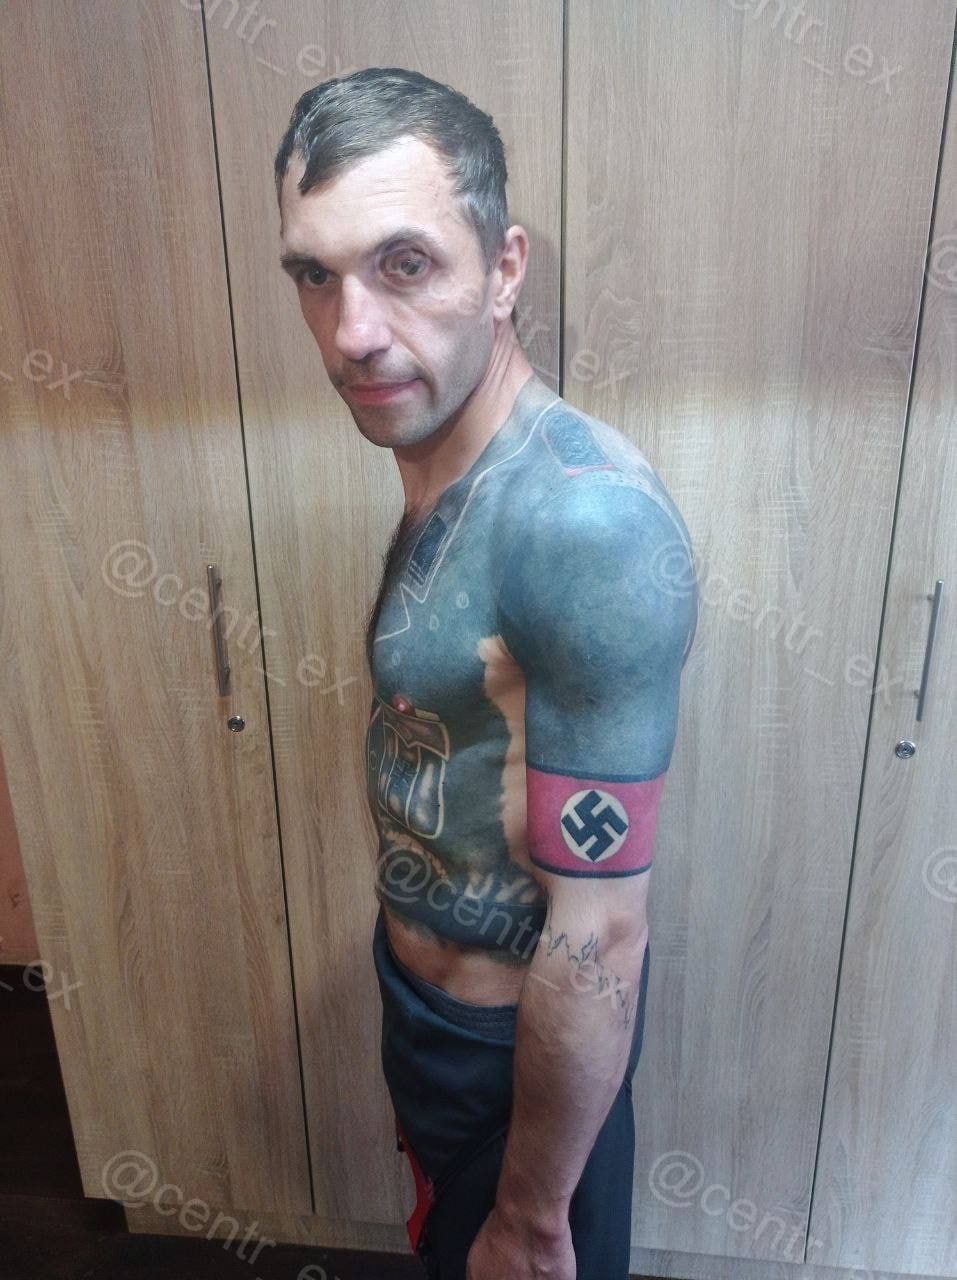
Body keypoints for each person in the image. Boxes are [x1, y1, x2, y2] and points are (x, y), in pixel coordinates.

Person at [273, 66, 698, 1280]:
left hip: (517, 1060)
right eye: (316, 274)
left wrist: (532, 1215)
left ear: (505, 269)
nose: (351, 331)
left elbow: (603, 930)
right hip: (430, 1018)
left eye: (405, 264)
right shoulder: (447, 461)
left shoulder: (584, 524)